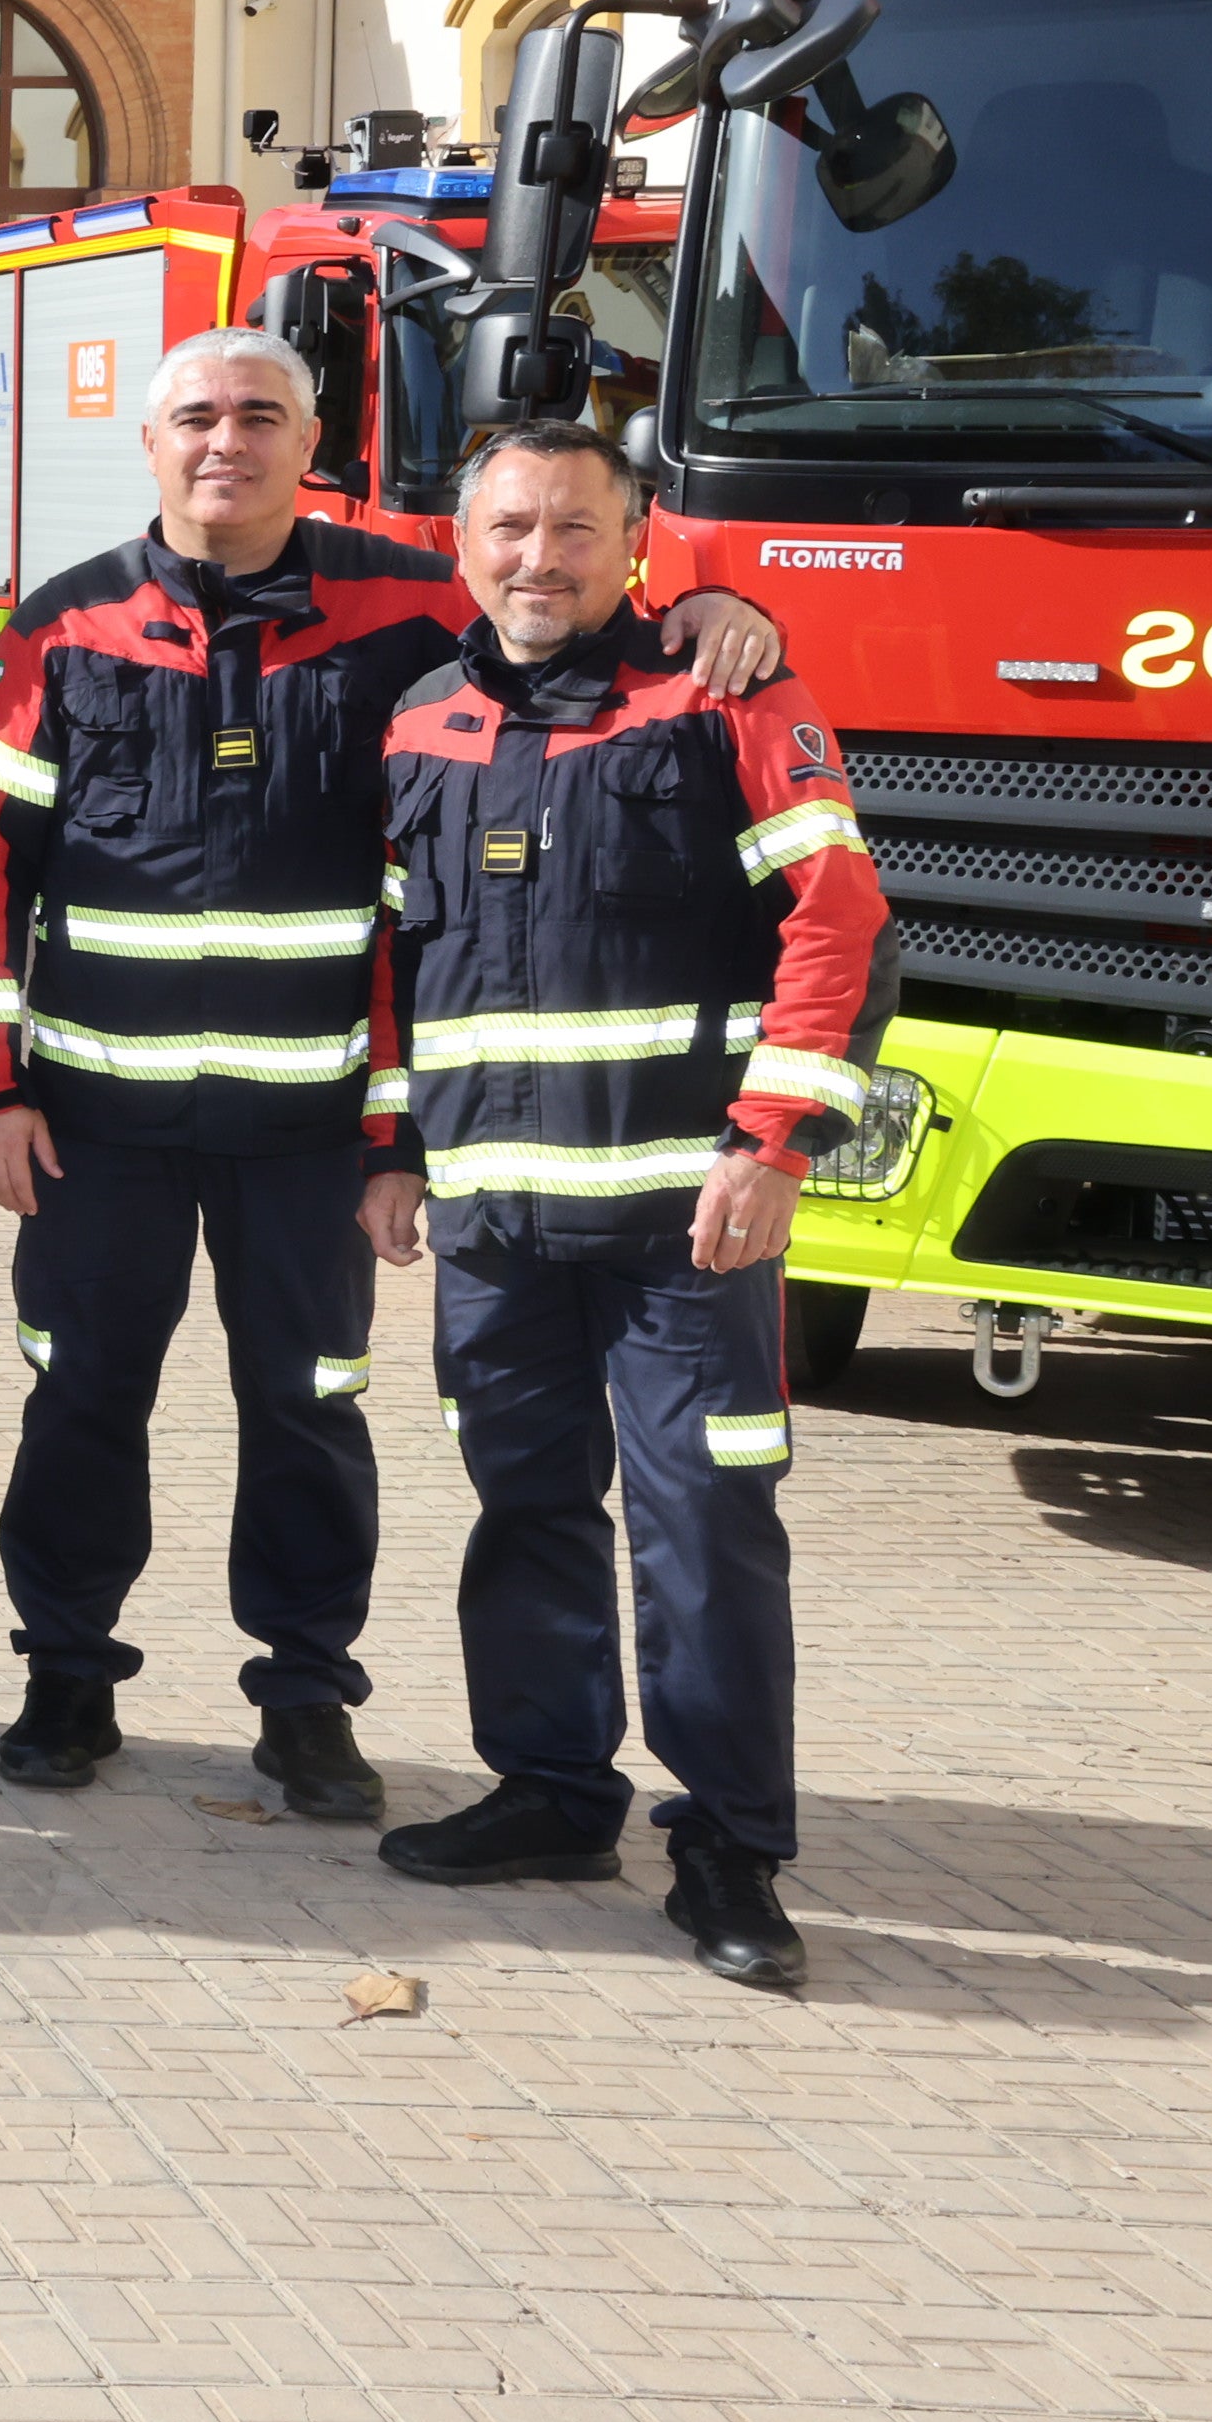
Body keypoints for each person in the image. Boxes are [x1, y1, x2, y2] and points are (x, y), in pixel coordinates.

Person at [0, 329, 779, 1814]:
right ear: (151, 445)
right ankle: (66, 1675)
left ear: (307, 440)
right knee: (79, 1405)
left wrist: (710, 599)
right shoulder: (62, 625)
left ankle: (307, 1696)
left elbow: (566, 588)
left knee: (311, 1412)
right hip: (92, 1127)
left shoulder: (406, 607)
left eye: (260, 414)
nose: (227, 441)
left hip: (314, 1135)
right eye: (195, 416)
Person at [372, 421, 884, 1989]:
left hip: (686, 1225)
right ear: (463, 541)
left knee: (705, 1527)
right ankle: (550, 1791)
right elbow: (399, 968)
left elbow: (839, 916)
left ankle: (730, 1845)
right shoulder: (421, 722)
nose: (540, 557)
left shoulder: (721, 695)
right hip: (497, 1226)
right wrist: (396, 1151)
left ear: (638, 538)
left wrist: (773, 1143)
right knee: (524, 1507)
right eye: (511, 526)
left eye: (576, 528)